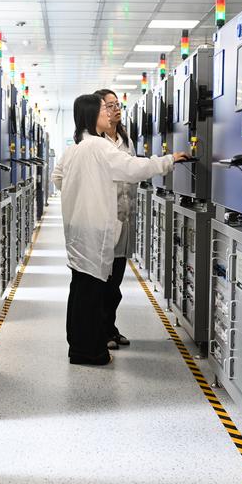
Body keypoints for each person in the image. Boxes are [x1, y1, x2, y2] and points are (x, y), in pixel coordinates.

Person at [53, 94, 189, 365]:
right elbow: (133, 167)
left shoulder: (77, 148)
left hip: (79, 230)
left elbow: (60, 180)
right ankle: (90, 352)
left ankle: (79, 346)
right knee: (90, 294)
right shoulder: (98, 147)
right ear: (92, 115)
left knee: (80, 291)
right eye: (104, 109)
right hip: (93, 231)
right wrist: (168, 160)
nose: (109, 113)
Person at [94, 89, 135, 351]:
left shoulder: (125, 140)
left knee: (116, 281)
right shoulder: (95, 142)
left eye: (117, 104)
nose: (115, 109)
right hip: (105, 222)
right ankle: (102, 330)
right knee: (105, 283)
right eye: (109, 105)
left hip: (125, 218)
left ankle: (110, 326)